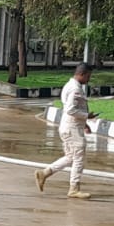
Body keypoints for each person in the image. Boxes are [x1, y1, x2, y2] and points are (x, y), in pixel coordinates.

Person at [35, 62, 99, 199]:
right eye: (88, 76)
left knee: (71, 156)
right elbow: (70, 109)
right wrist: (87, 116)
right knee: (79, 158)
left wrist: (85, 123)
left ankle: (45, 173)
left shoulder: (70, 85)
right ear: (81, 74)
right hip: (72, 128)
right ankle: (74, 188)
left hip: (70, 126)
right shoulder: (75, 89)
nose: (89, 79)